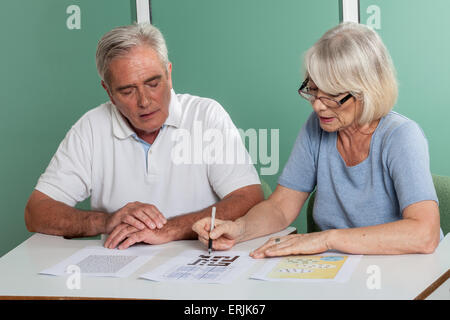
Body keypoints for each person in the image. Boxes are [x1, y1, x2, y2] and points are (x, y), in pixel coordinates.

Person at [193, 22, 442, 257]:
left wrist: (326, 239)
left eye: (332, 95)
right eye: (313, 90)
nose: (318, 107)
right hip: (342, 269)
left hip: (405, 271)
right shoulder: (317, 128)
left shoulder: (400, 136)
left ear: (367, 91)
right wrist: (239, 228)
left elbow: (424, 234)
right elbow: (280, 207)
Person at [24, 23, 263, 249]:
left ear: (169, 74)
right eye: (127, 91)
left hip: (196, 263)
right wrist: (106, 222)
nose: (144, 101)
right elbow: (36, 212)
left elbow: (249, 197)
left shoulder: (206, 115)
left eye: (153, 83)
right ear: (108, 92)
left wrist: (170, 229)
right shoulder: (91, 128)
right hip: (121, 273)